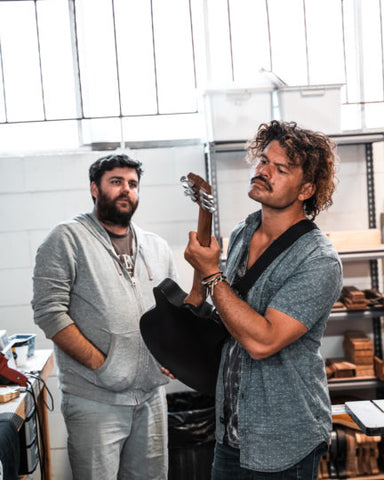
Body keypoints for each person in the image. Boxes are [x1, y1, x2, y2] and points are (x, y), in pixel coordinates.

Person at [183, 121, 343, 479]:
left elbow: (263, 341)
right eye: (263, 161)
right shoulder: (244, 230)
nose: (263, 171)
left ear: (306, 189)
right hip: (231, 432)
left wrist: (211, 274)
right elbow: (231, 314)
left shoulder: (317, 260)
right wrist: (181, 343)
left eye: (280, 168)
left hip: (284, 440)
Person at [32, 153, 177, 480]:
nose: (126, 190)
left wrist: (173, 355)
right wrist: (103, 365)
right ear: (94, 188)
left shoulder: (156, 246)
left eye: (133, 184)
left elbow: (173, 312)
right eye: (116, 182)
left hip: (151, 398)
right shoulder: (66, 239)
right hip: (95, 401)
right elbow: (49, 313)